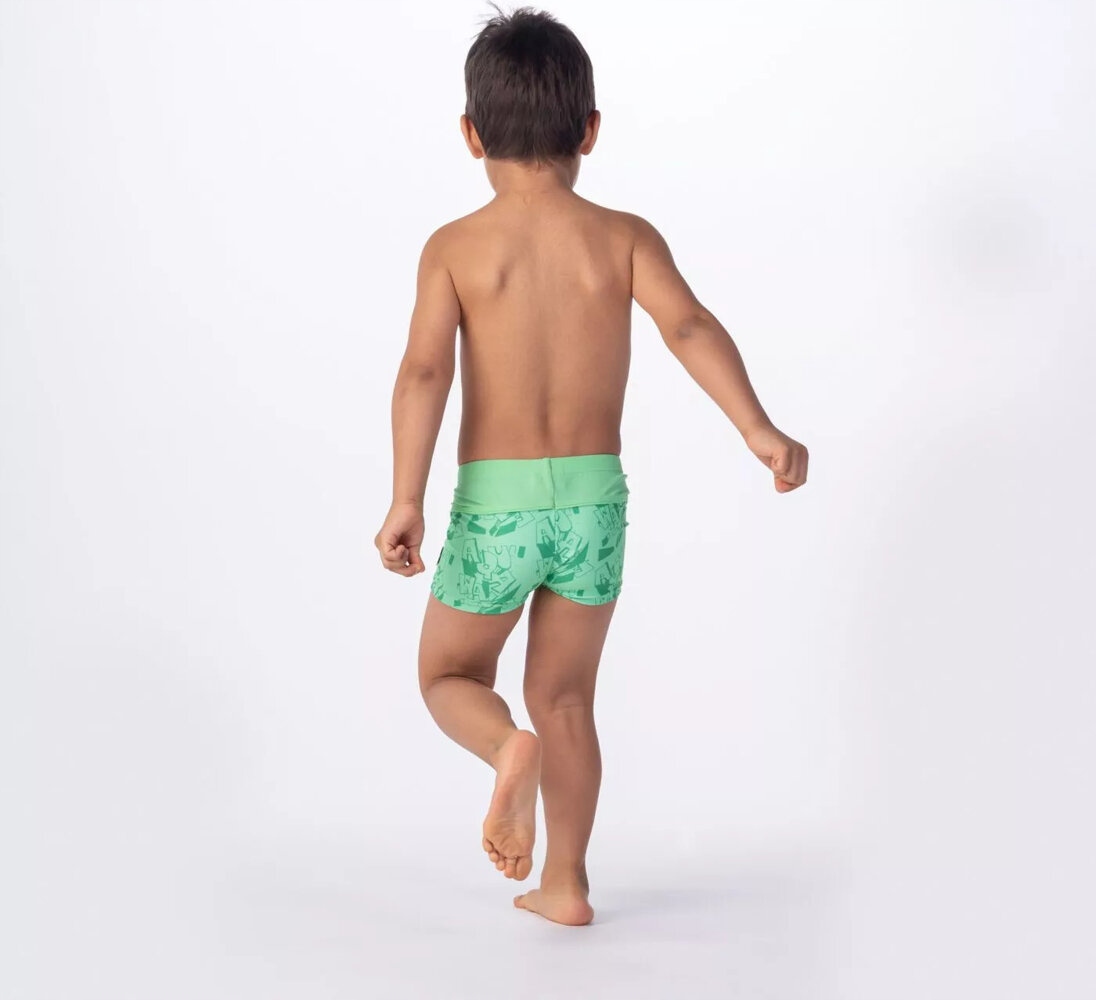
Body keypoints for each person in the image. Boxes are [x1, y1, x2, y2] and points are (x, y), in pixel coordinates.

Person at [374, 3, 808, 927]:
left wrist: (407, 496)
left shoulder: (455, 249)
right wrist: (757, 429)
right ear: (590, 130)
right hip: (593, 508)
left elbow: (424, 373)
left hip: (495, 509)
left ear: (470, 134)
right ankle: (565, 884)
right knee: (566, 700)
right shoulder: (623, 238)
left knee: (450, 678)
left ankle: (505, 751)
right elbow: (688, 326)